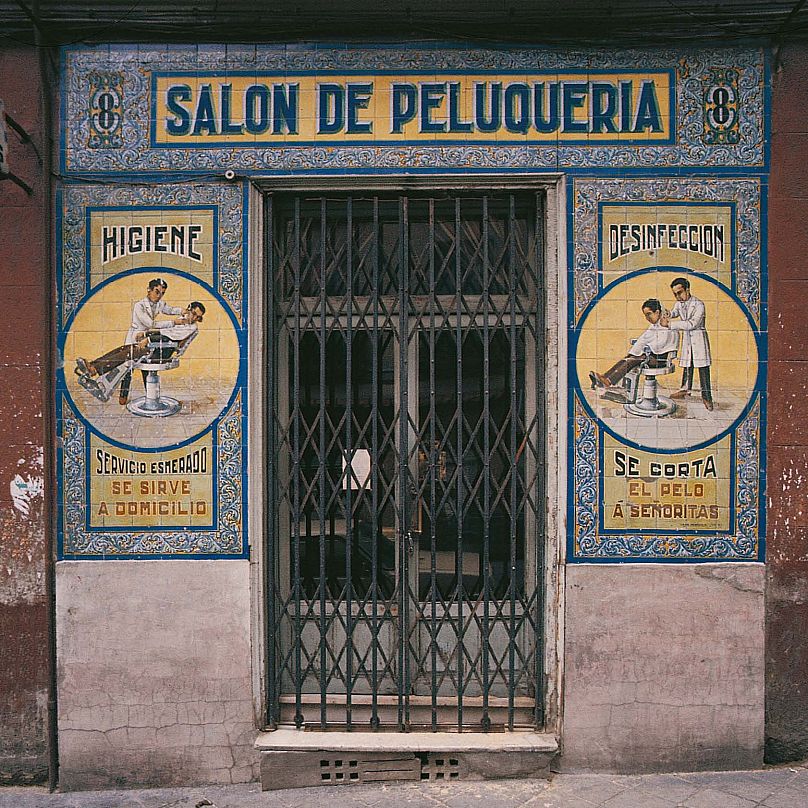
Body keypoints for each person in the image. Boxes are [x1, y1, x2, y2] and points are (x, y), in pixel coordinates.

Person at [75, 302, 205, 379]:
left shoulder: (191, 328)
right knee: (124, 349)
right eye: (193, 313)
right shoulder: (181, 320)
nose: (194, 318)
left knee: (128, 353)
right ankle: (93, 365)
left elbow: (169, 339)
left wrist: (148, 339)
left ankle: (95, 370)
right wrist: (145, 334)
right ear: (188, 309)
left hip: (163, 350)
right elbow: (163, 331)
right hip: (157, 345)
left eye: (197, 317)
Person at [118, 278, 185, 406]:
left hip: (146, 338)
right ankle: (123, 396)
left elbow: (169, 310)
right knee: (128, 369)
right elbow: (151, 323)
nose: (159, 296)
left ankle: (150, 398)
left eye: (162, 293)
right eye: (157, 292)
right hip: (135, 337)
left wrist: (182, 311)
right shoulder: (139, 305)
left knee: (147, 367)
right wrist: (174, 322)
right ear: (149, 290)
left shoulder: (159, 303)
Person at [589, 298, 678, 389]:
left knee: (631, 360)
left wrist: (645, 346)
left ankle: (608, 381)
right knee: (628, 358)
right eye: (645, 315)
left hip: (660, 360)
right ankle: (604, 377)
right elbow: (643, 339)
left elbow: (660, 345)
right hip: (650, 356)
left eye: (649, 314)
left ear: (657, 312)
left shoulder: (667, 326)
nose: (647, 318)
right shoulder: (654, 326)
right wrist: (632, 352)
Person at [665, 276, 713, 411]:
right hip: (688, 340)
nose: (677, 296)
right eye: (675, 294)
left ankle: (707, 397)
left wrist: (670, 324)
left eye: (679, 293)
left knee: (703, 369)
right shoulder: (679, 303)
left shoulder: (699, 304)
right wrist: (666, 313)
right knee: (687, 365)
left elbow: (692, 324)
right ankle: (685, 389)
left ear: (687, 289)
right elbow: (674, 313)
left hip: (698, 338)